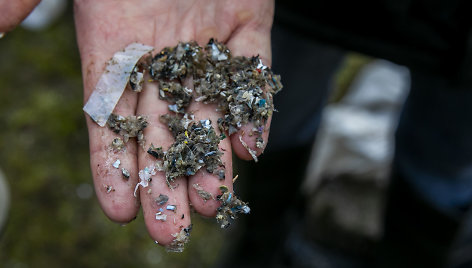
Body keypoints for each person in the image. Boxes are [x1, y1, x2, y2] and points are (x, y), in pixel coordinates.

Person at [2, 0, 472, 267]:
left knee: (445, 158)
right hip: (314, 6)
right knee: (270, 120)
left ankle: (413, 254)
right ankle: (265, 244)